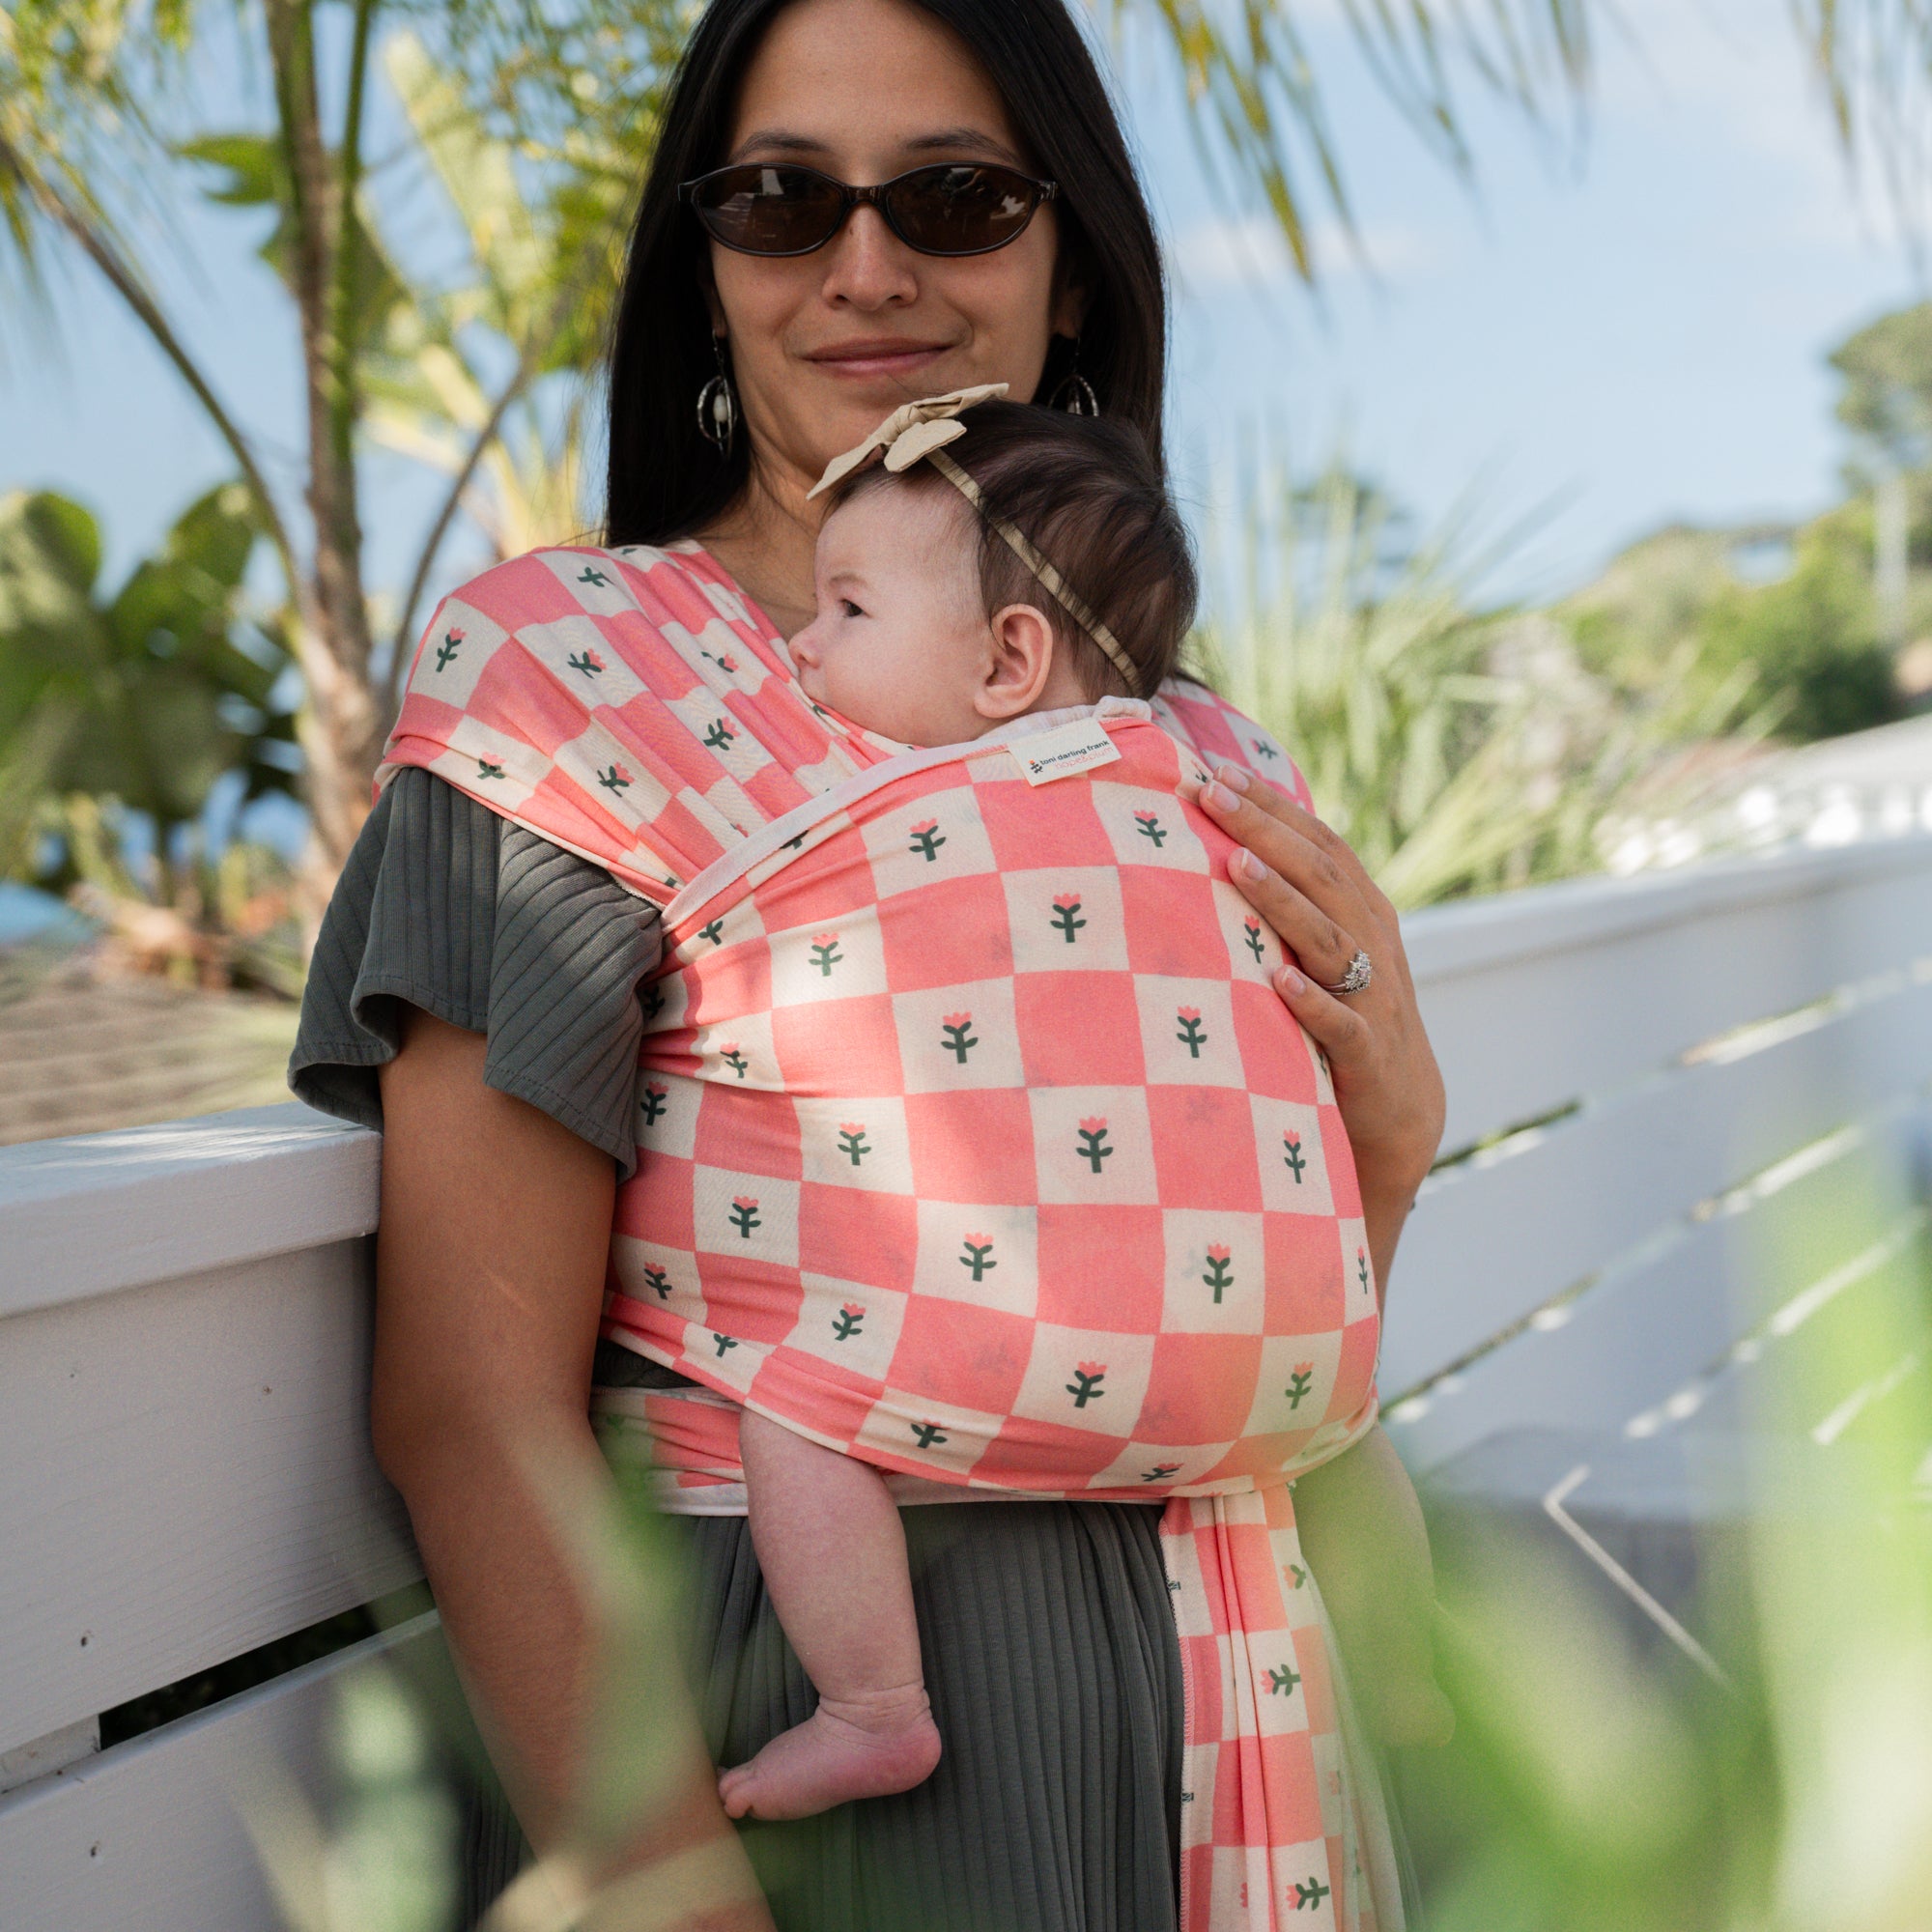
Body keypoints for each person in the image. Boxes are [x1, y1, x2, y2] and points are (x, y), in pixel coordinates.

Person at [292, 1, 1448, 1925]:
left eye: (955, 195)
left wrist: (1393, 1146)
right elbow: (469, 1407)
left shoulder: (1191, 739)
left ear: (1070, 255)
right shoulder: (567, 683)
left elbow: (1246, 1300)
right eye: (775, 200)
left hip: (1247, 1697)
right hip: (806, 1769)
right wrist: (674, 1893)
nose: (861, 266)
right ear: (703, 258)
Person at [671, 390, 1447, 1825]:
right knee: (1339, 1431)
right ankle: (1407, 1673)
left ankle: (871, 1708)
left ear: (1007, 661)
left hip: (998, 1329)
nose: (800, 646)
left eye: (846, 609)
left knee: (788, 1404)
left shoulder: (874, 807)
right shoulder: (1210, 780)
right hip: (1252, 1319)